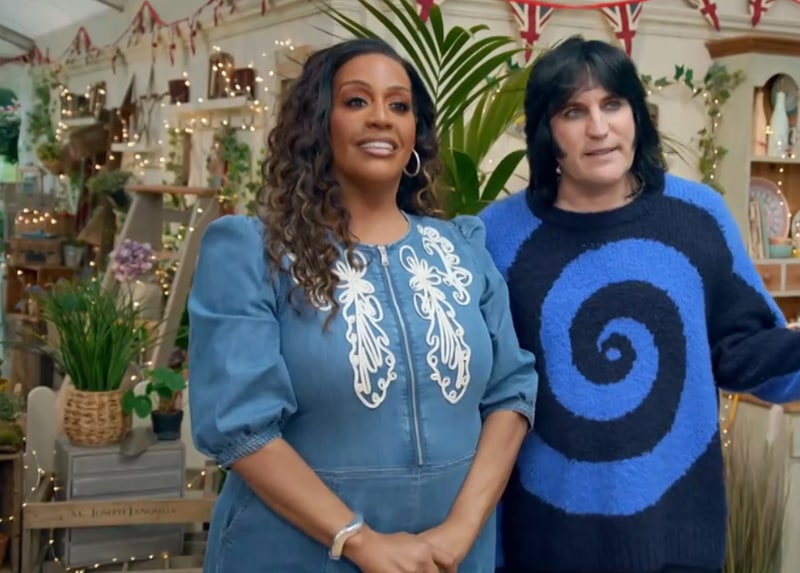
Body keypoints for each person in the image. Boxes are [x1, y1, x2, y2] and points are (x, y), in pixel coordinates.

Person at [478, 36, 800, 573]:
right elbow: (480, 393)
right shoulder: (497, 237)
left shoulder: (697, 217)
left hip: (678, 537)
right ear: (547, 131)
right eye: (574, 111)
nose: (598, 128)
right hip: (543, 544)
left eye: (613, 104)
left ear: (637, 115)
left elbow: (746, 349)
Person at [187, 37, 538, 573]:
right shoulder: (252, 253)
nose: (381, 118)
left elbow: (511, 391)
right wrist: (358, 540)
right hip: (298, 554)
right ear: (317, 125)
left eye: (399, 105)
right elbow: (240, 427)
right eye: (356, 101)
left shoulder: (462, 249)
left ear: (415, 132)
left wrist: (459, 533)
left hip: (448, 558)